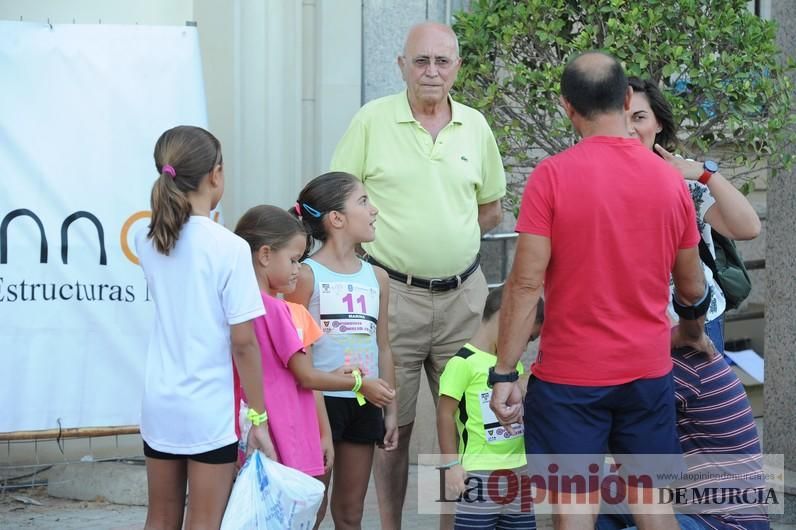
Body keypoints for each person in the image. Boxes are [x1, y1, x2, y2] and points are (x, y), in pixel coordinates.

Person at [489, 52, 714, 530]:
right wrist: (692, 330)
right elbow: (691, 285)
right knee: (653, 508)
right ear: (627, 97)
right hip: (646, 371)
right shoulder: (668, 182)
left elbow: (526, 282)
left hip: (571, 376)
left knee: (574, 513)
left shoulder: (550, 176)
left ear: (567, 107)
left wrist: (504, 372)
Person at [330, 22, 506, 528]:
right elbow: (337, 201)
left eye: (442, 61)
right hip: (393, 297)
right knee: (394, 427)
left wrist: (446, 240)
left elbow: (490, 210)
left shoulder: (475, 125)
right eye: (421, 61)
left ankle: (456, 525)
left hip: (463, 298)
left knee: (469, 420)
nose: (432, 71)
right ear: (402, 66)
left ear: (457, 68)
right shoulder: (371, 121)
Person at [134, 125, 275, 530]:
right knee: (205, 521)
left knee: (159, 518)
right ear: (215, 175)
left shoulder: (150, 240)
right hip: (208, 410)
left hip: (160, 402)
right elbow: (244, 344)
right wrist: (260, 416)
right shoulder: (228, 247)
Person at [285, 172, 398, 530]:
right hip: (318, 405)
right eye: (363, 202)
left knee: (350, 513)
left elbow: (383, 344)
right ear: (336, 218)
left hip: (365, 404)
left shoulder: (377, 277)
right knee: (310, 509)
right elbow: (295, 352)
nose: (374, 210)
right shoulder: (305, 275)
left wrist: (390, 408)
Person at [626, 76, 761, 353]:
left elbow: (748, 227)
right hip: (628, 329)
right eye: (619, 119)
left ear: (658, 123)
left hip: (695, 322)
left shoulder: (682, 176)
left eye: (639, 117)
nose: (629, 129)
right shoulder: (594, 178)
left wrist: (704, 173)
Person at [437, 286, 542, 530]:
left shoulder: (512, 365)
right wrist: (451, 465)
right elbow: (445, 415)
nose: (524, 348)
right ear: (507, 317)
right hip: (479, 474)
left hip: (519, 473)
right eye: (526, 337)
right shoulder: (462, 363)